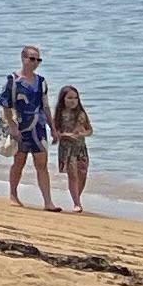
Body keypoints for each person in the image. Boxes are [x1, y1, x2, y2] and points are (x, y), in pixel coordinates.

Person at [0, 43, 55, 208]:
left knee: (42, 164)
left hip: (38, 127)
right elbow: (5, 105)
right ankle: (13, 194)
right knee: (19, 161)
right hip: (21, 126)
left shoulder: (41, 81)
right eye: (32, 59)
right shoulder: (13, 80)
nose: (35, 62)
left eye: (38, 59)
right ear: (23, 59)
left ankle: (48, 201)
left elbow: (45, 106)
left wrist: (53, 128)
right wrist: (13, 127)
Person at [51, 81, 92, 211]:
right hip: (67, 148)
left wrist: (82, 133)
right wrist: (66, 135)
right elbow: (55, 132)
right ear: (63, 99)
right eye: (69, 98)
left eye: (75, 98)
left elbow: (90, 130)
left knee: (83, 173)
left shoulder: (81, 114)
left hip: (80, 148)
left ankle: (77, 197)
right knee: (72, 175)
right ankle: (77, 203)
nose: (73, 101)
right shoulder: (59, 114)